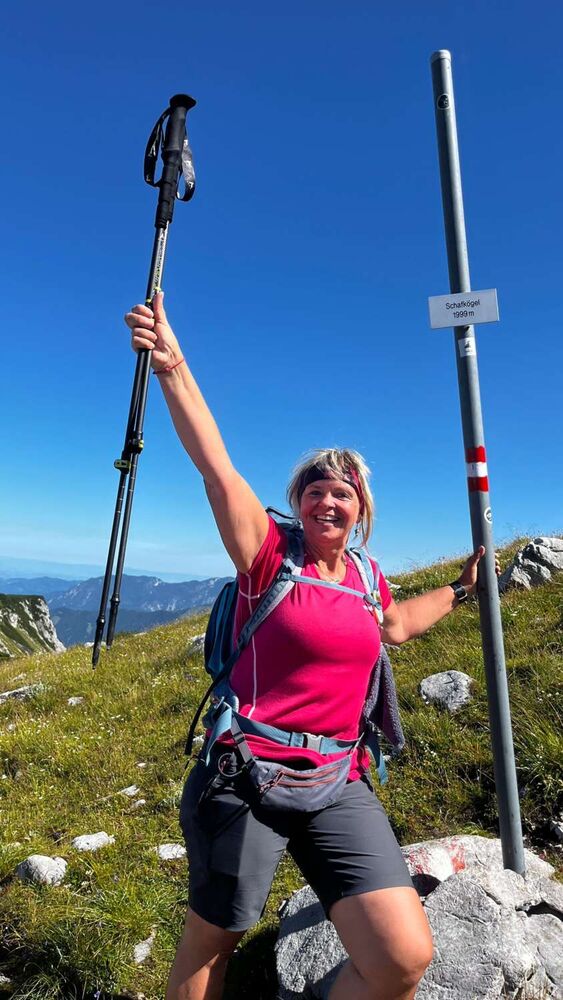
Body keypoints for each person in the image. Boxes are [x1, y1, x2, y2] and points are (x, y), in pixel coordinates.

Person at [126, 293, 495, 1000]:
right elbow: (216, 468)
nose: (329, 501)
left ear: (361, 511)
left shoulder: (364, 577)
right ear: (298, 502)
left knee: (401, 957)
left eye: (343, 494)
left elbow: (395, 627)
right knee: (211, 946)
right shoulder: (266, 556)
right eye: (316, 490)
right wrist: (172, 365)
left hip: (337, 778)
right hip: (247, 776)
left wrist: (460, 589)